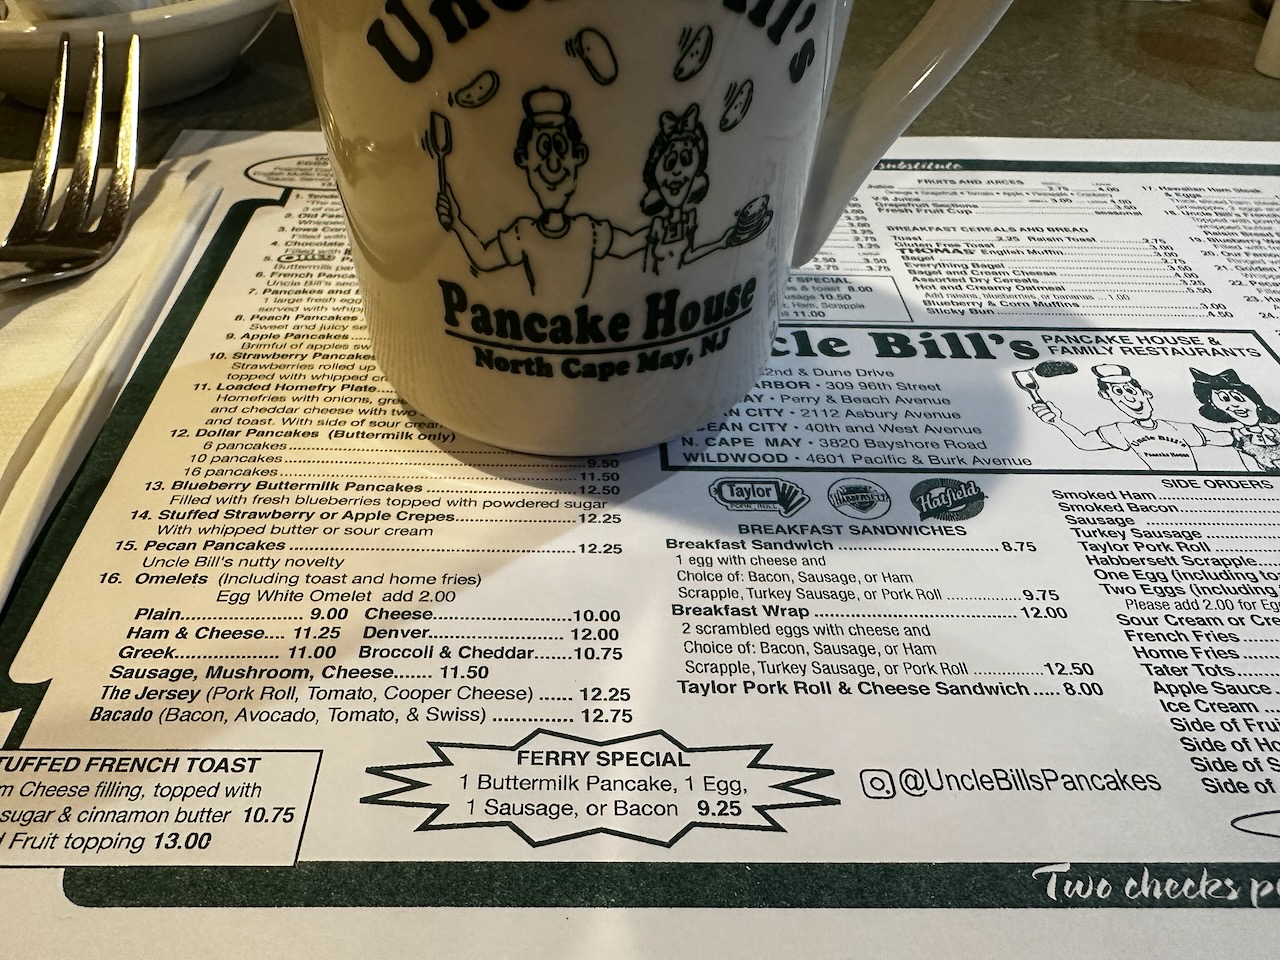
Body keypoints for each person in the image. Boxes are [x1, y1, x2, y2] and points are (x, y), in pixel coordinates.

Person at [436, 87, 645, 301]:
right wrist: (457, 224)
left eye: (561, 148)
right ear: (522, 159)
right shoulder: (523, 233)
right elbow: (483, 259)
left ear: (579, 155)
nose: (553, 164)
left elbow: (629, 244)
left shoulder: (589, 230)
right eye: (543, 149)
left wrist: (666, 227)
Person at [1031, 363, 1233, 470]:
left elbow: (1224, 438)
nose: (1129, 397)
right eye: (1117, 393)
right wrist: (1058, 421)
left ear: (1145, 392)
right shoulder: (1120, 430)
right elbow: (1085, 442)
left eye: (1130, 390)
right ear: (1107, 397)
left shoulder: (1180, 428)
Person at [638, 104, 733, 274]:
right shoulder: (658, 223)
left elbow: (689, 257)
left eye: (686, 159)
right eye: (670, 162)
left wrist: (723, 242)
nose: (676, 171)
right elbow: (646, 263)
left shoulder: (690, 219)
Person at [1191, 367, 1280, 473]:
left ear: (1254, 400)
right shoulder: (1238, 436)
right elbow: (1206, 436)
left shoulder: (1274, 433)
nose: (1234, 405)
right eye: (1224, 400)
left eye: (1237, 398)